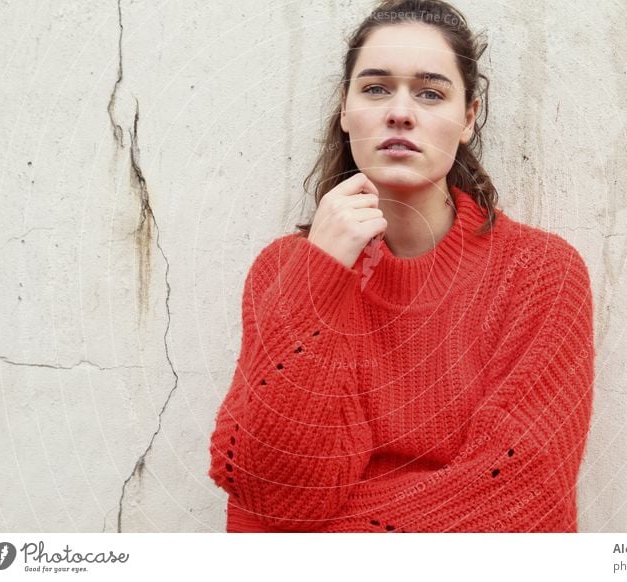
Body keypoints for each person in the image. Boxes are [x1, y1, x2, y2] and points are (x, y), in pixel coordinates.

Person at [208, 0, 595, 533]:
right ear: (345, 110)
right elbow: (273, 490)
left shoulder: (538, 273)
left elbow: (521, 497)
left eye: (431, 93)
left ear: (468, 118)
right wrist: (319, 276)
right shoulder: (283, 272)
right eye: (375, 88)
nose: (401, 112)